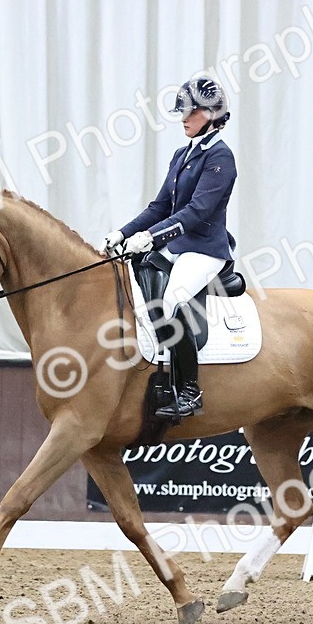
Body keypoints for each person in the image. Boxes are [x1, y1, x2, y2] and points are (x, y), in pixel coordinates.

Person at [102, 75, 238, 419]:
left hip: (205, 249)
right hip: (177, 245)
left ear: (211, 114)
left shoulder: (221, 156)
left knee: (173, 300)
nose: (183, 118)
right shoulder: (182, 154)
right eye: (183, 112)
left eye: (191, 112)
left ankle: (190, 392)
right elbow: (161, 206)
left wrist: (152, 237)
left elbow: (197, 211)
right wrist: (123, 233)